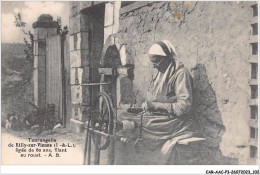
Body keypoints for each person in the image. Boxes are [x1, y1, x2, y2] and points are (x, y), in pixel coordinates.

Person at [139, 40, 194, 164]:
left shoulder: (181, 74)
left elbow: (185, 106)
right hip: (164, 118)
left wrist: (156, 106)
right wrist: (149, 105)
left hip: (177, 122)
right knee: (127, 117)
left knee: (139, 125)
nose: (154, 66)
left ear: (167, 58)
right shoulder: (161, 75)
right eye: (152, 62)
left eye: (156, 62)